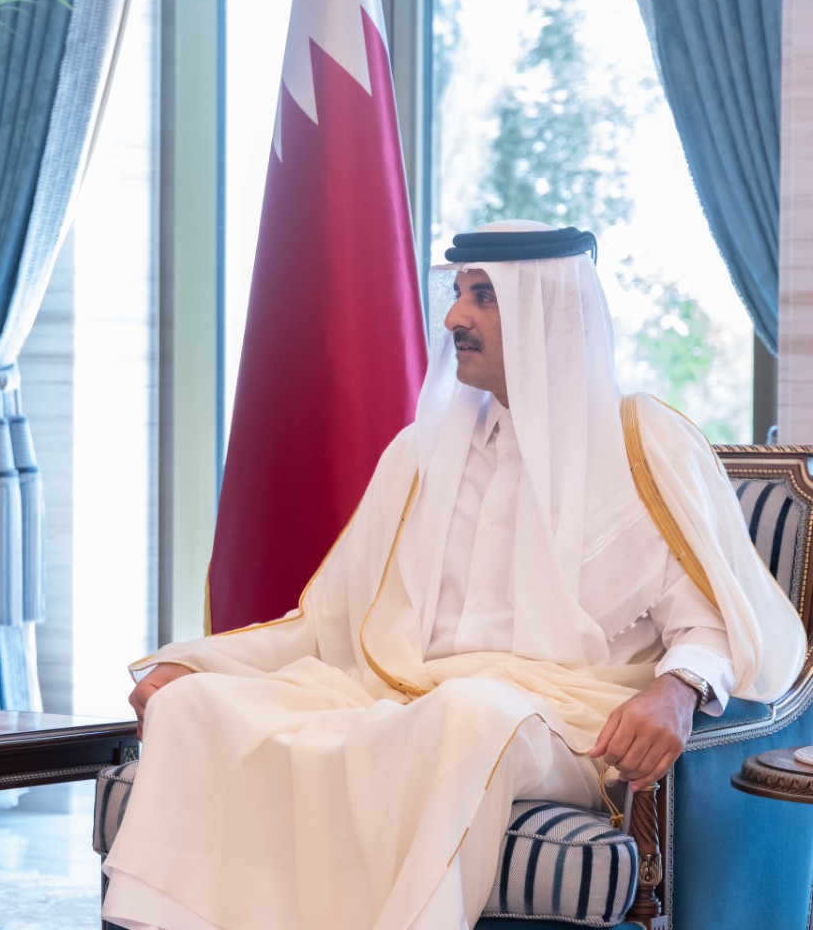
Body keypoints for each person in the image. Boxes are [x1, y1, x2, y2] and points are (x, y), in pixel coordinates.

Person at [101, 220, 805, 930]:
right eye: (459, 292)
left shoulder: (642, 443)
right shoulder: (420, 454)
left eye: (484, 297)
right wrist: (193, 665)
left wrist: (677, 691)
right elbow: (328, 623)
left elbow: (717, 615)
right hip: (407, 698)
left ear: (548, 309)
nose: (453, 318)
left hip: (562, 719)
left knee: (467, 714)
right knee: (198, 709)